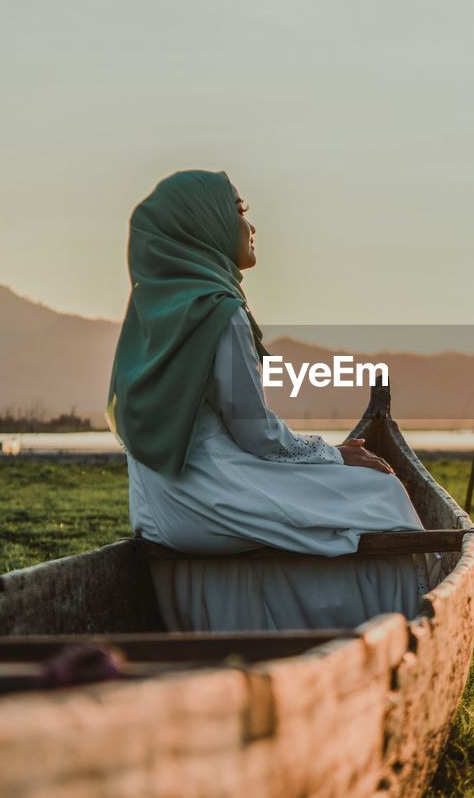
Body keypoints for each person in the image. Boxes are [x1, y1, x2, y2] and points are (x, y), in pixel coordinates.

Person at [107, 170, 435, 631]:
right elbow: (257, 435)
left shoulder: (146, 320)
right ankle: (393, 629)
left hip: (158, 511)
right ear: (205, 225)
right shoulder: (219, 311)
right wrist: (334, 455)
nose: (251, 226)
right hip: (211, 498)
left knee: (356, 495)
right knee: (381, 495)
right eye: (239, 212)